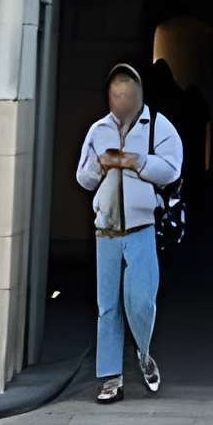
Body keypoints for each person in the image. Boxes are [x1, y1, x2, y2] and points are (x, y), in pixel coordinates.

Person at [73, 63, 181, 404]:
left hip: (141, 226)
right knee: (108, 306)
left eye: (126, 95)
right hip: (105, 228)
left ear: (138, 96)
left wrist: (138, 161)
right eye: (115, 95)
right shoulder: (98, 130)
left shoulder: (158, 126)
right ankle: (110, 378)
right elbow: (83, 179)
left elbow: (172, 169)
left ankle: (143, 352)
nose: (120, 102)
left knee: (141, 300)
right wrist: (101, 164)